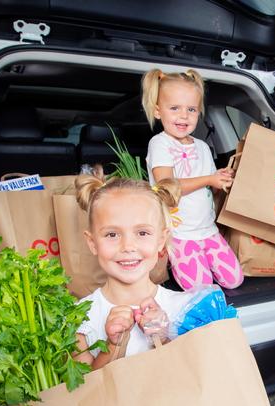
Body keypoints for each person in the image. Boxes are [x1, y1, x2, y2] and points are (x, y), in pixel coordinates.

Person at [73, 176, 198, 369]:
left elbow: (197, 377)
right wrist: (113, 345)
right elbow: (81, 392)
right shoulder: (80, 319)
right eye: (112, 234)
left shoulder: (185, 309)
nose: (128, 246)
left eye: (142, 233)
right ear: (92, 243)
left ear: (161, 240)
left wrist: (163, 339)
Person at [141, 68, 243, 291]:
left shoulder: (203, 147)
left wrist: (223, 179)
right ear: (158, 111)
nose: (184, 116)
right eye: (175, 108)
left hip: (208, 230)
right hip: (180, 234)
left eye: (191, 109)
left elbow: (211, 187)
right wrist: (209, 179)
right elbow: (166, 186)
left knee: (235, 280)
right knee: (201, 288)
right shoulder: (160, 144)